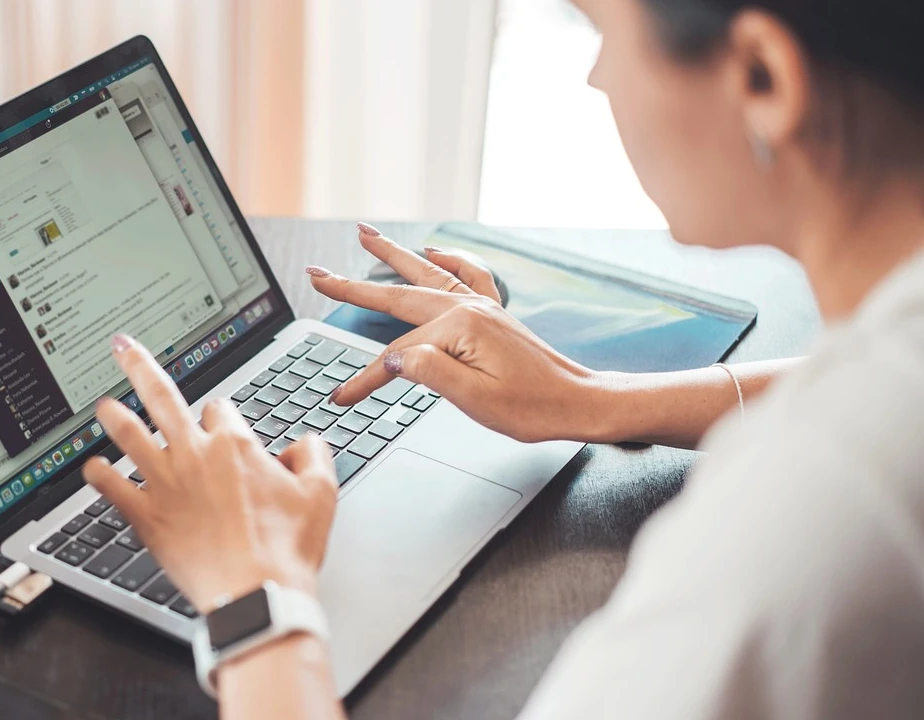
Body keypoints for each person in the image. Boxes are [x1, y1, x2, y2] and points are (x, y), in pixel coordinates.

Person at [83, 0, 924, 717]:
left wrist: (251, 593)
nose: (598, 79)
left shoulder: (803, 518)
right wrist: (598, 398)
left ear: (764, 78)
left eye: (605, 30)